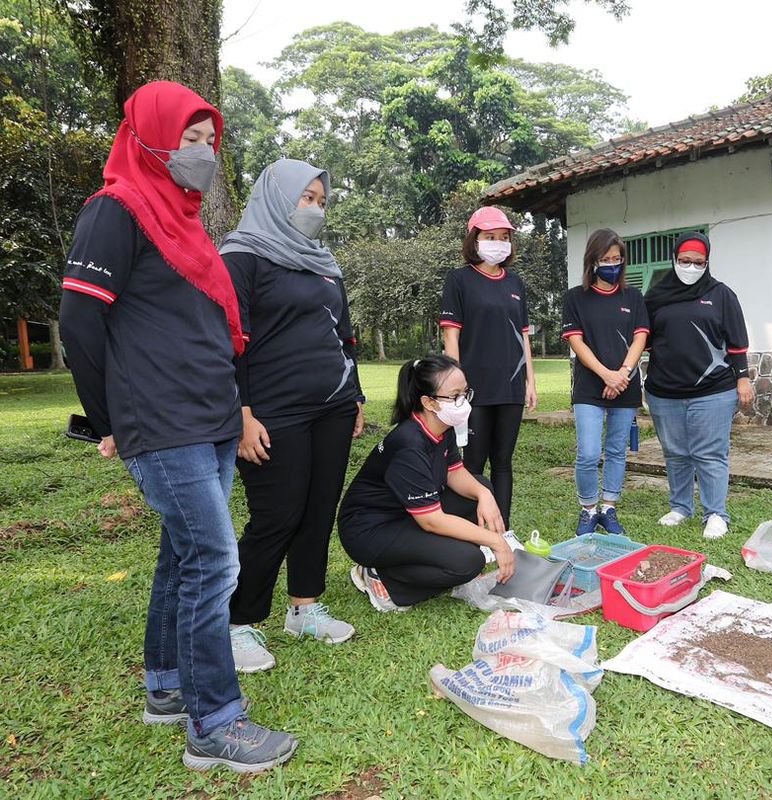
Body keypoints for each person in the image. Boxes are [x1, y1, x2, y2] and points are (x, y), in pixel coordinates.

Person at [58, 81, 296, 773]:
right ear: (146, 137)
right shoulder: (116, 209)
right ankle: (215, 724)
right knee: (216, 562)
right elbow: (79, 322)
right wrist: (110, 419)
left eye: (207, 140)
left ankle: (166, 685)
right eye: (187, 139)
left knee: (184, 555)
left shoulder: (181, 219)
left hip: (210, 415)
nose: (202, 152)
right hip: (161, 422)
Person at [219, 159, 365, 673]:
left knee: (318, 509)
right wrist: (239, 413)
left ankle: (304, 607)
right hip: (270, 411)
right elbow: (224, 341)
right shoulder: (241, 257)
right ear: (276, 197)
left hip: (333, 405)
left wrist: (357, 396)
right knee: (277, 515)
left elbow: (343, 335)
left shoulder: (323, 261)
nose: (316, 209)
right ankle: (239, 623)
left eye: (322, 201)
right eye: (307, 198)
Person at [337, 355, 515, 611]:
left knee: (479, 486)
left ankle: (419, 558)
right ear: (428, 402)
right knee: (468, 562)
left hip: (404, 514)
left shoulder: (443, 426)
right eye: (454, 396)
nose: (463, 402)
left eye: (465, 393)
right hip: (370, 530)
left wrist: (484, 494)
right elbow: (431, 520)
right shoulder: (409, 444)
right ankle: (383, 579)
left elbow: (454, 472)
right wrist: (496, 541)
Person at [643, 231, 754, 540]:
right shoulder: (655, 296)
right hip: (664, 391)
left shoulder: (721, 295)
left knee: (710, 453)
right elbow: (643, 339)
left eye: (698, 262)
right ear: (674, 260)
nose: (690, 267)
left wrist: (742, 377)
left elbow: (736, 343)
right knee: (676, 452)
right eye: (684, 261)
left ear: (707, 262)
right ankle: (680, 507)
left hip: (713, 390)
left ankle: (716, 513)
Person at [439, 207, 536, 527]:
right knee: (473, 463)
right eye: (490, 237)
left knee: (504, 462)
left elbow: (524, 337)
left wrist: (530, 382)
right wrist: (455, 386)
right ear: (474, 240)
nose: (498, 243)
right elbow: (451, 335)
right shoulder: (459, 280)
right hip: (474, 389)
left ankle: (503, 530)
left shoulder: (516, 284)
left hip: (510, 386)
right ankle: (475, 530)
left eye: (504, 238)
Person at [561, 228, 649, 536]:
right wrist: (605, 374)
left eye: (617, 258)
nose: (612, 264)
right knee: (587, 452)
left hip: (625, 385)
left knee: (615, 450)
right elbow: (576, 341)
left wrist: (622, 373)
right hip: (589, 386)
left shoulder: (633, 296)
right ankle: (588, 509)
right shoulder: (575, 297)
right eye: (605, 259)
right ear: (592, 261)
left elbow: (641, 337)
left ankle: (609, 507)